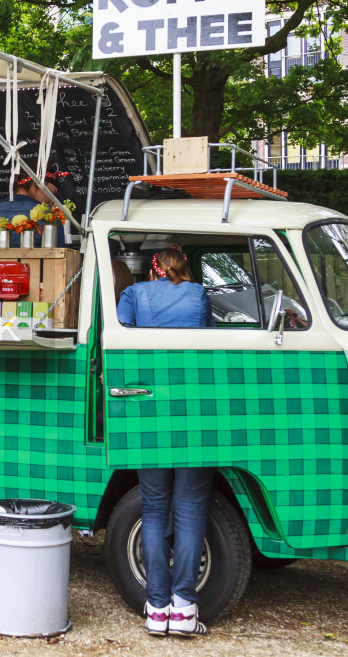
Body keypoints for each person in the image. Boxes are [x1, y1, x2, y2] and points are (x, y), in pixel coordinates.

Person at [116, 248, 213, 637]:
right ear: (185, 266)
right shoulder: (199, 295)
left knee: (154, 510)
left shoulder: (135, 294)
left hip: (149, 409)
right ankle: (185, 608)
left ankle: (156, 609)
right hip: (194, 410)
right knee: (190, 509)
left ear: (152, 268)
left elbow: (121, 330)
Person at [0, 172, 68, 248]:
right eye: (51, 193)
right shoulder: (51, 219)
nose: (52, 202)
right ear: (38, 185)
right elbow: (59, 261)